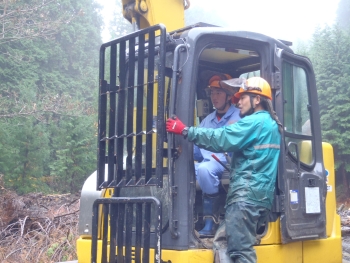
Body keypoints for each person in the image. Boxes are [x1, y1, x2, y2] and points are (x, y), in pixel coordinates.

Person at [166, 77, 282, 263]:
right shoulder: (271, 124)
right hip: (259, 198)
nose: (239, 101)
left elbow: (221, 138)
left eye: (243, 97)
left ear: (257, 99)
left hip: (245, 197)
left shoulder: (253, 122)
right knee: (222, 240)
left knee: (240, 252)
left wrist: (185, 130)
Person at [194, 73, 241, 237]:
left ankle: (210, 221)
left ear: (229, 95)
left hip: (229, 164)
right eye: (212, 93)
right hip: (208, 162)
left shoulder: (240, 116)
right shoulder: (207, 120)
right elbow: (197, 149)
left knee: (205, 170)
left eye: (218, 93)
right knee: (179, 172)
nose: (214, 97)